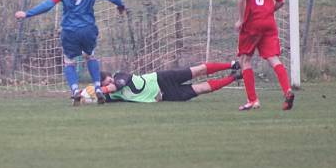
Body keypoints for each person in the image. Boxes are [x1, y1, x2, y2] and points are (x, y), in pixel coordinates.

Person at [15, 0, 126, 105]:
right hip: (88, 29)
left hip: (70, 31)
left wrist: (27, 13)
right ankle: (98, 88)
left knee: (69, 62)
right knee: (90, 56)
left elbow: (48, 5)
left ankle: (75, 91)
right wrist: (120, 6)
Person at [233, 0, 295, 111]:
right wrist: (269, 11)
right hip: (269, 23)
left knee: (245, 60)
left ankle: (253, 100)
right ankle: (287, 90)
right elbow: (281, 1)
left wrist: (240, 19)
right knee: (273, 58)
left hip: (252, 24)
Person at [97, 60, 241, 103]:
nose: (109, 84)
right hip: (165, 95)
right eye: (106, 84)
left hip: (161, 78)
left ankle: (232, 64)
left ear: (110, 76)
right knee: (202, 89)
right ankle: (234, 77)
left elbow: (118, 85)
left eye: (108, 81)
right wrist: (85, 95)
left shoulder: (119, 76)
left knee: (198, 70)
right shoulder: (114, 96)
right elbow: (100, 100)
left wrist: (101, 90)